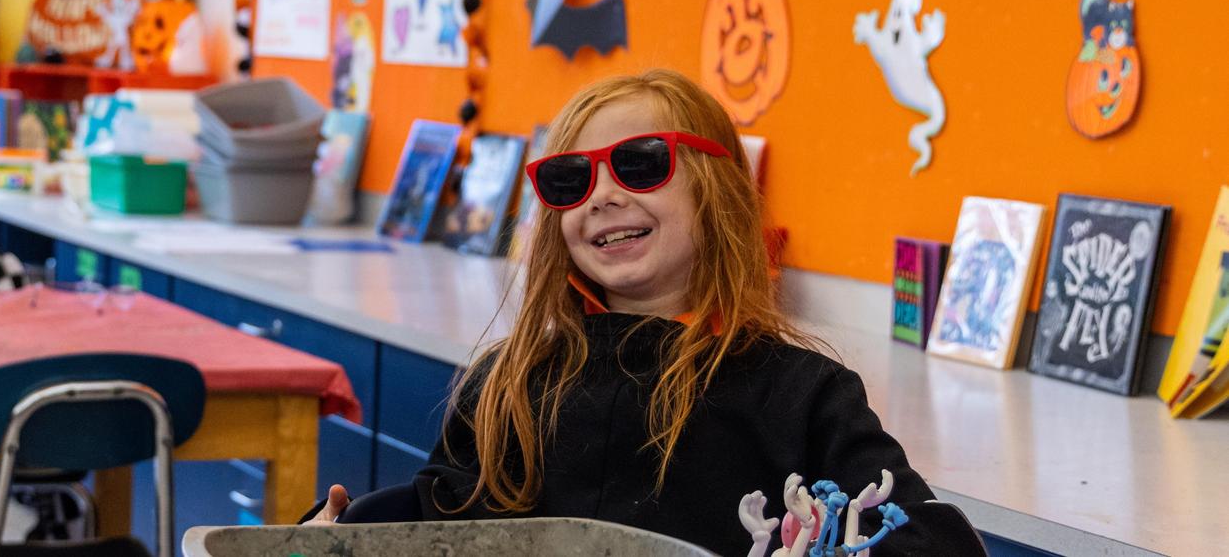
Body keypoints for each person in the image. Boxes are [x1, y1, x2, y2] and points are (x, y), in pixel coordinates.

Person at [310, 70, 982, 555]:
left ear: (717, 192)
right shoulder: (508, 382)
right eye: (571, 180)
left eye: (638, 165)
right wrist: (335, 536)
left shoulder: (802, 395)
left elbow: (925, 534)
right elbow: (441, 522)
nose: (600, 196)